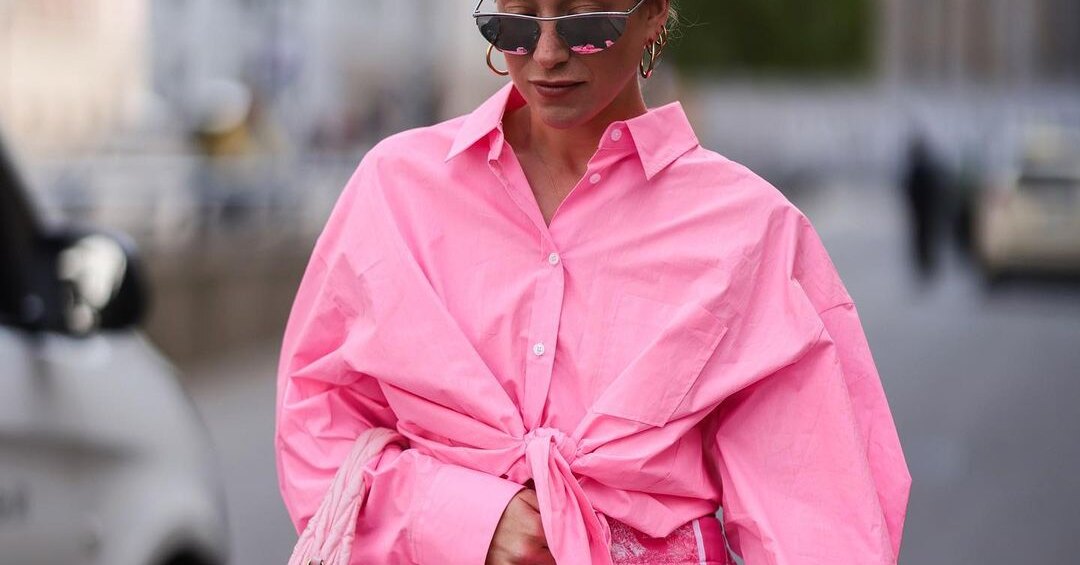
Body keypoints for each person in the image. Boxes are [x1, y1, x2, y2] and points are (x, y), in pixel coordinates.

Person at [274, 1, 912, 563]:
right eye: (516, 22)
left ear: (654, 12)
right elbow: (317, 427)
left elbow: (820, 518)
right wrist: (464, 520)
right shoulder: (396, 191)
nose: (547, 54)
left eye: (585, 21)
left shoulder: (748, 231)